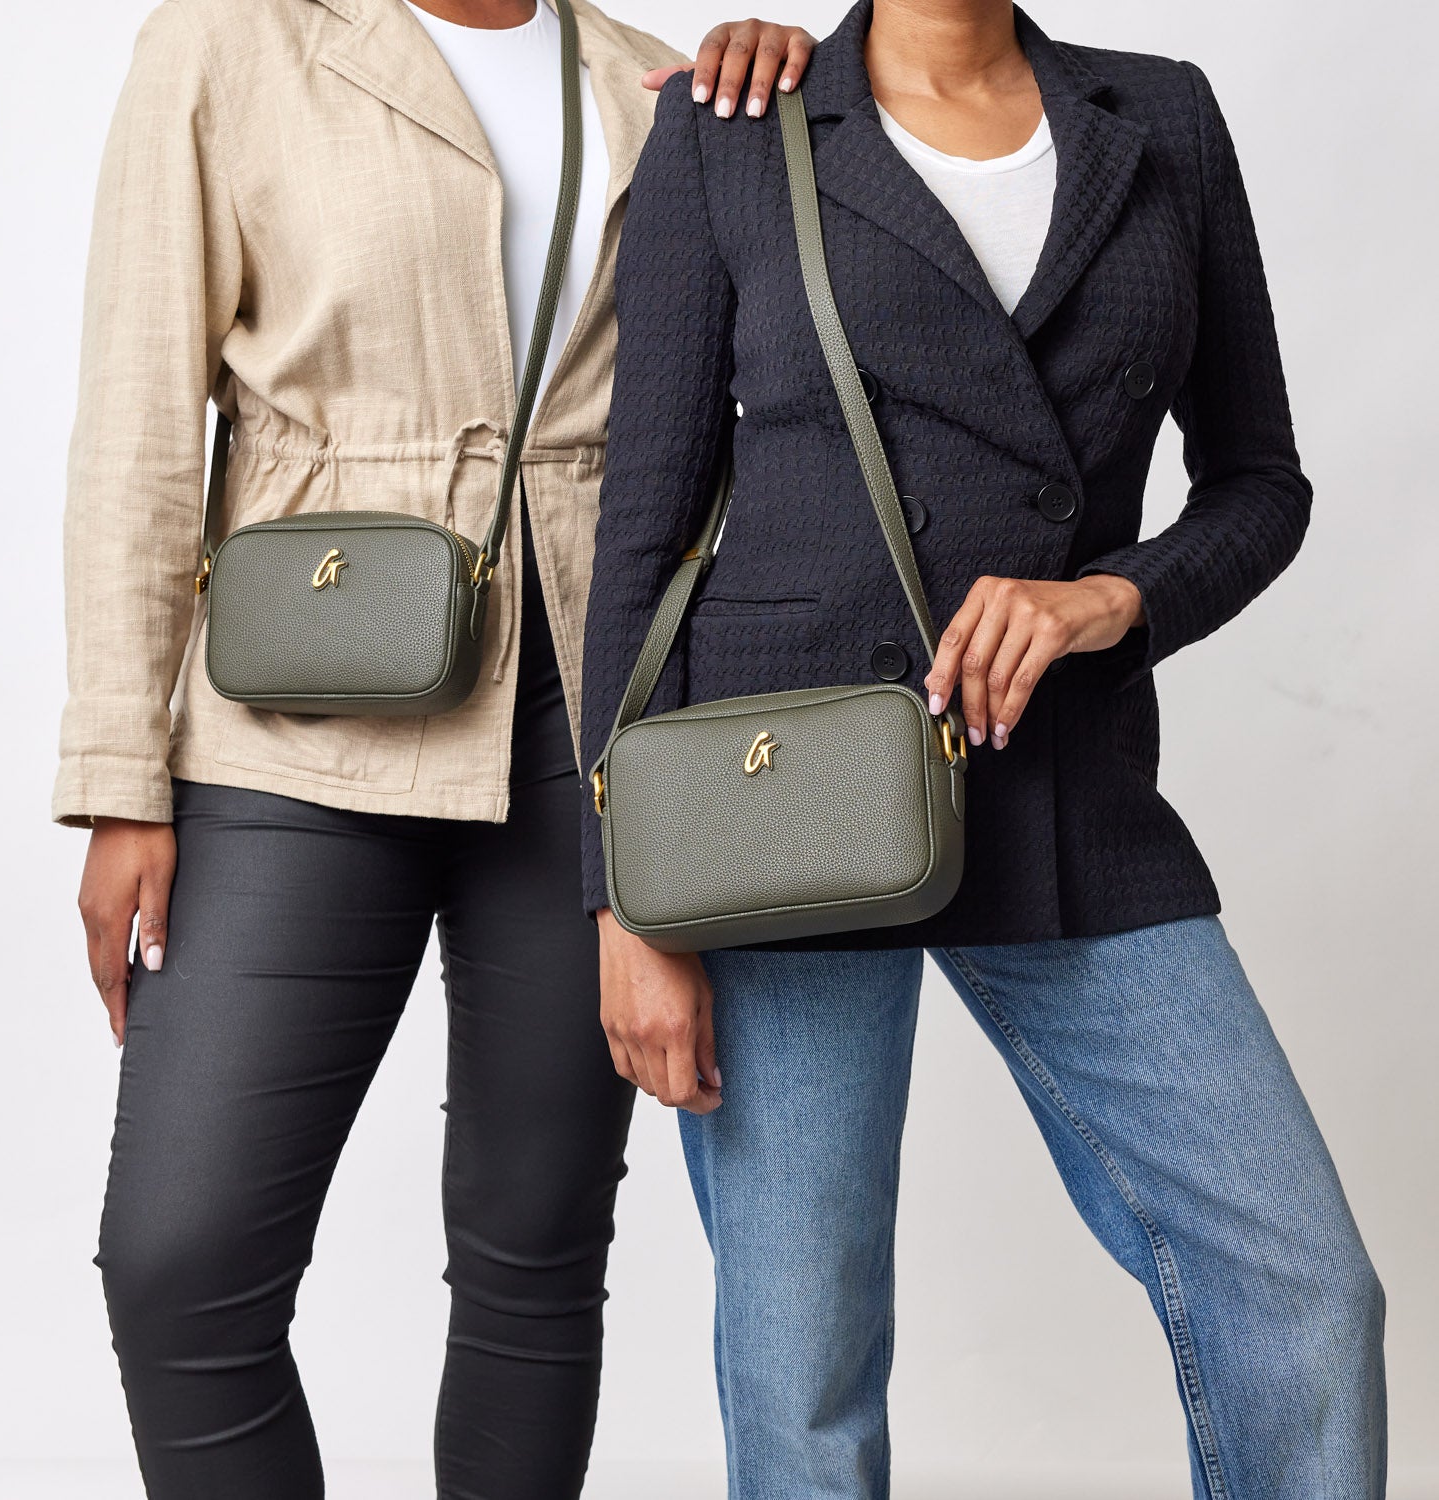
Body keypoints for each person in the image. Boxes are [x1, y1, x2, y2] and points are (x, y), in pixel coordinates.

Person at [581, 1, 1387, 1495]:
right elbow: (641, 528)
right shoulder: (740, 117)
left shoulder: (1162, 119)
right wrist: (622, 896)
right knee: (801, 1369)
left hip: (1066, 787)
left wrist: (1109, 596)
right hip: (779, 803)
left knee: (1305, 1291)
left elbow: (1260, 483)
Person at [54, 2, 817, 1496]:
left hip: (587, 721)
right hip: (294, 719)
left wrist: (806, 84)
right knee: (180, 1263)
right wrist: (117, 774)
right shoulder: (229, 43)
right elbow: (135, 425)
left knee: (537, 1251)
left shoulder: (641, 76)